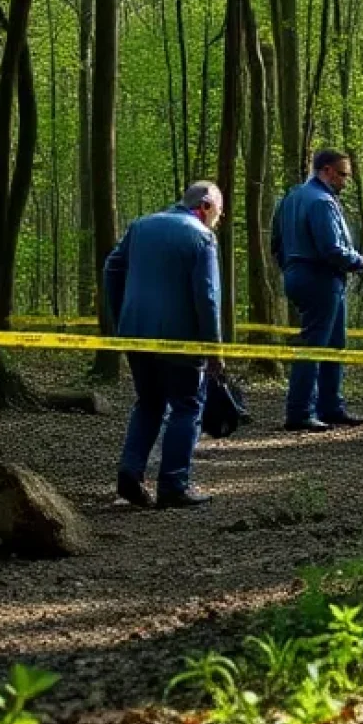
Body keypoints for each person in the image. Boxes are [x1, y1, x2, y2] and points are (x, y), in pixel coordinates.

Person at [103, 182, 225, 509]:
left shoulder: (141, 226)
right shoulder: (201, 237)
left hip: (135, 332)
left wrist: (122, 316)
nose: (218, 221)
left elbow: (111, 269)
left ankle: (130, 473)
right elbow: (208, 298)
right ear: (205, 206)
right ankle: (174, 483)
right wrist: (214, 349)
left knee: (149, 402)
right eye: (218, 213)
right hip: (181, 339)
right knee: (187, 405)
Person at [271, 149, 363, 432]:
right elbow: (332, 249)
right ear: (326, 170)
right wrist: (362, 263)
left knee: (333, 344)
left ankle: (330, 406)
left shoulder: (291, 197)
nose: (346, 181)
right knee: (315, 344)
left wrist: (290, 268)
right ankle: (300, 411)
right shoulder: (321, 201)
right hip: (319, 277)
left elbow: (276, 242)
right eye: (343, 174)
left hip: (301, 274)